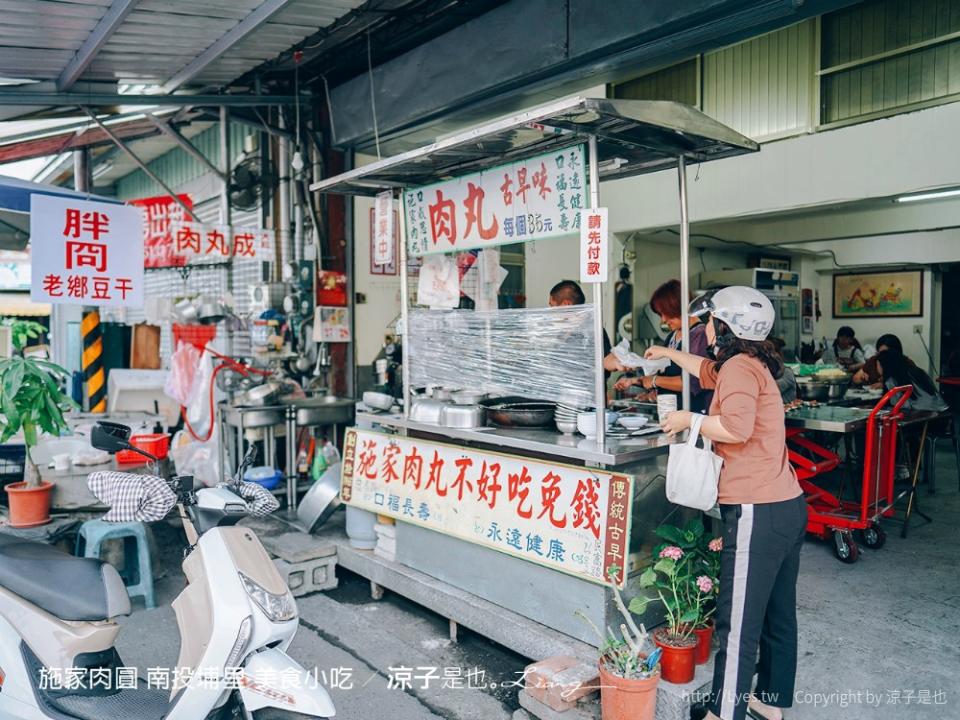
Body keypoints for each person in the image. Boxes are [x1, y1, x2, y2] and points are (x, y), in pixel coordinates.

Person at [645, 286, 805, 720]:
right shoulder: (748, 363)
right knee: (776, 615)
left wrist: (687, 419)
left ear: (725, 325)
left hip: (758, 508)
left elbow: (735, 428)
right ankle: (769, 705)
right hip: (786, 504)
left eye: (710, 320)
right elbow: (704, 368)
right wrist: (668, 352)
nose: (705, 327)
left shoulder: (738, 368)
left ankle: (723, 714)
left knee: (737, 625)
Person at [614, 279, 711, 412]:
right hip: (672, 412)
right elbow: (665, 375)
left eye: (665, 313)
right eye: (660, 314)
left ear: (677, 307)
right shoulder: (673, 336)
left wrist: (655, 380)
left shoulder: (700, 336)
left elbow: (692, 382)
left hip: (692, 412)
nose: (663, 320)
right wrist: (637, 381)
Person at [547, 280, 622, 375]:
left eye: (552, 306)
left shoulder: (591, 331)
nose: (550, 311)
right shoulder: (563, 330)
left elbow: (606, 359)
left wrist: (619, 361)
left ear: (566, 304)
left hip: (587, 389)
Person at [876, 348, 947, 413]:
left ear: (884, 365)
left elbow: (899, 406)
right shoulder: (916, 371)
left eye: (877, 364)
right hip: (943, 412)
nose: (877, 367)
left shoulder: (891, 380)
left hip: (927, 415)